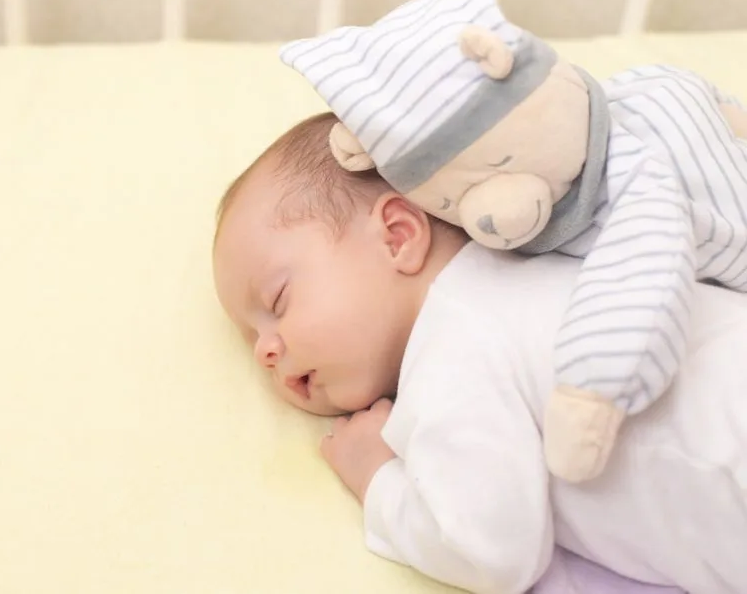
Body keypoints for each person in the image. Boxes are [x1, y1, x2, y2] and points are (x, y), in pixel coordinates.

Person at [212, 111, 747, 594]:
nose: (264, 351)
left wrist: (377, 478)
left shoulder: (452, 343)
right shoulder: (546, 269)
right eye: (251, 337)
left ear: (397, 236)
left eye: (277, 301)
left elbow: (494, 551)